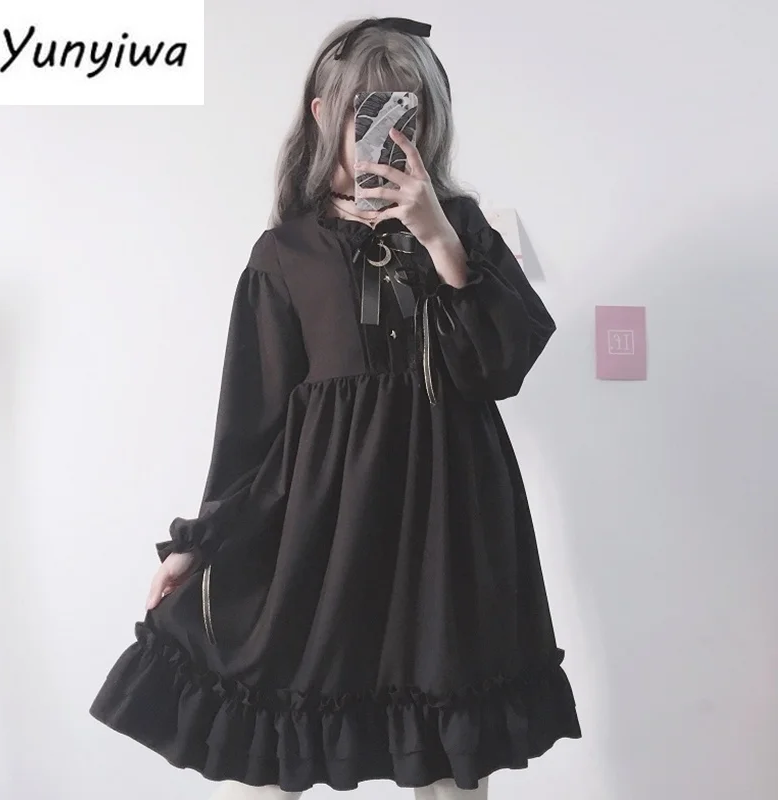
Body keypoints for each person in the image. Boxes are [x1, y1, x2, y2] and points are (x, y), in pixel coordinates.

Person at [89, 16, 582, 799]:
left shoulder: (464, 231)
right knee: (282, 732)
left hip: (449, 525)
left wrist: (439, 240)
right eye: (366, 113)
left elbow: (501, 367)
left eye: (404, 113)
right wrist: (200, 541)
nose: (385, 135)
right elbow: (250, 423)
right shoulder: (285, 254)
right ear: (324, 114)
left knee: (453, 751)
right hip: (324, 528)